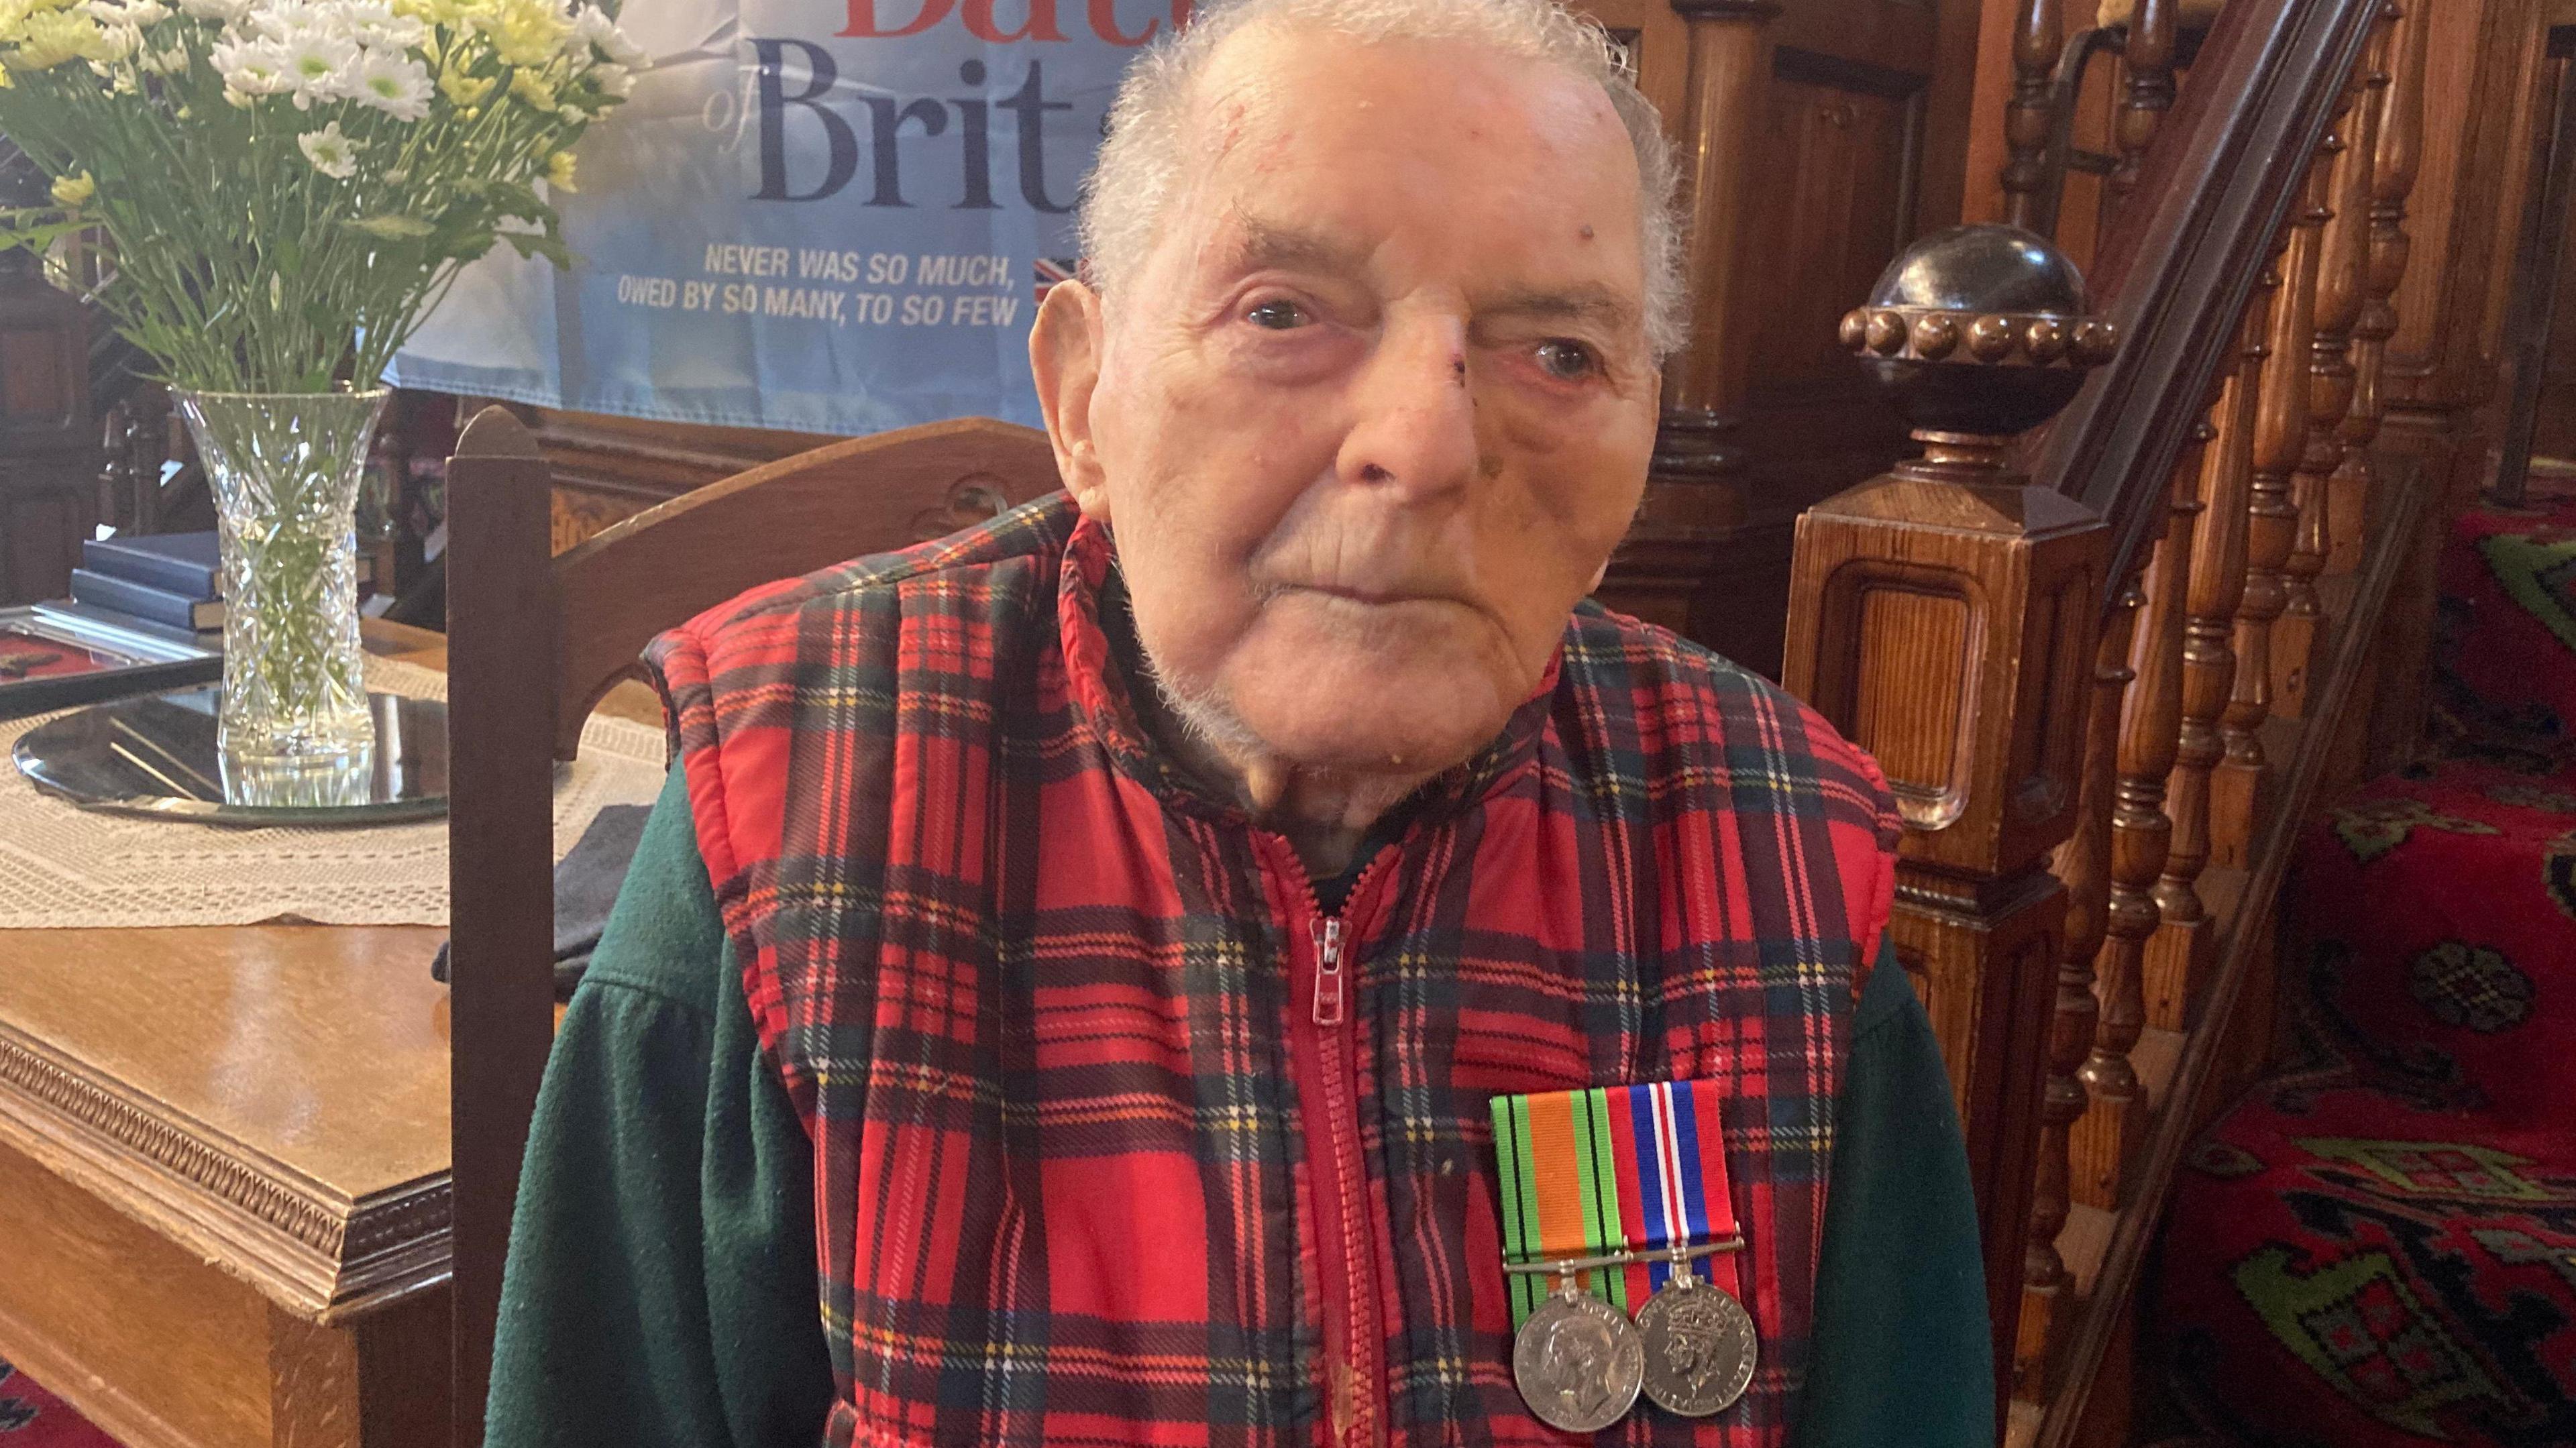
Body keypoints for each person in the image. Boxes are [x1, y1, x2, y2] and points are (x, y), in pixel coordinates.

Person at [484, 0, 1992, 1443]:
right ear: (1082, 397)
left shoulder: (1788, 865)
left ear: (1642, 438)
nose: (1423, 442)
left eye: (1559, 353)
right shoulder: (794, 809)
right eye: (1283, 311)